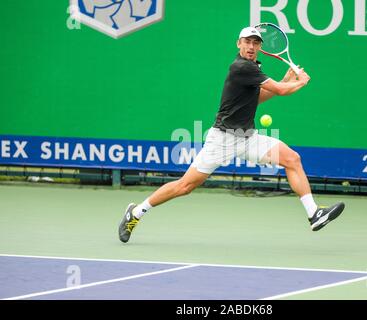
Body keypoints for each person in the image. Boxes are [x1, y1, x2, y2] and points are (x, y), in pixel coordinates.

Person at [118, 26, 345, 243]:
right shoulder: (242, 68)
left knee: (291, 159)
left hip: (248, 138)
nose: (251, 46)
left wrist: (286, 82)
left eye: (255, 43)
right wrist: (300, 82)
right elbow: (280, 91)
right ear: (239, 44)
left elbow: (258, 98)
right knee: (185, 186)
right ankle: (136, 212)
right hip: (222, 140)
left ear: (259, 47)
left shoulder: (253, 68)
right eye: (247, 42)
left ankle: (314, 213)